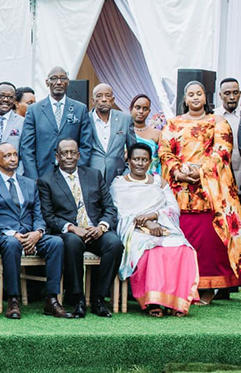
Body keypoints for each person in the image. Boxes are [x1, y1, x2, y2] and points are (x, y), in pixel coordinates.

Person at [158, 81, 241, 303]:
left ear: (206, 97)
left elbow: (222, 151)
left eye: (199, 94)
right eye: (191, 94)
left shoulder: (218, 122)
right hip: (180, 189)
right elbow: (164, 151)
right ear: (185, 99)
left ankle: (208, 288)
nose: (195, 97)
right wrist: (178, 172)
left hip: (209, 190)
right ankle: (183, 285)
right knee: (182, 238)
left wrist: (199, 172)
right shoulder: (173, 123)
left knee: (209, 241)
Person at [111, 143, 200, 316]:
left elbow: (174, 209)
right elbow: (120, 214)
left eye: (144, 160)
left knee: (182, 248)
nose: (140, 163)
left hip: (162, 225)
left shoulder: (159, 182)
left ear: (150, 162)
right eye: (136, 159)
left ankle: (175, 302)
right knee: (152, 249)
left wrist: (154, 216)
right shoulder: (119, 184)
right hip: (134, 230)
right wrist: (146, 224)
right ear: (128, 161)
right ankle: (153, 302)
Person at [0, 143, 66, 319]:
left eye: (15, 155)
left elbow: (38, 214)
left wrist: (38, 232)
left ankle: (51, 299)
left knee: (56, 242)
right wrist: (14, 234)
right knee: (12, 244)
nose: (13, 159)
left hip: (31, 234)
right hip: (5, 235)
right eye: (7, 156)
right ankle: (13, 300)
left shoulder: (30, 184)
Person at [38, 139, 122, 317]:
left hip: (95, 230)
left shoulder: (94, 175)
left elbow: (109, 208)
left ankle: (99, 298)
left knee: (114, 244)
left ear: (79, 155)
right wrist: (72, 228)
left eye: (72, 153)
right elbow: (48, 216)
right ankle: (78, 299)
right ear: (57, 157)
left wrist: (101, 227)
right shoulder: (46, 181)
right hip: (70, 232)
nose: (69, 156)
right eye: (64, 153)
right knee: (72, 243)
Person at [19, 66, 93, 179]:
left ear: (68, 82)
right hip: (42, 174)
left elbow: (86, 145)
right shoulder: (34, 110)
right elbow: (27, 148)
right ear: (47, 82)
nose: (58, 82)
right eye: (54, 78)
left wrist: (76, 171)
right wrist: (33, 178)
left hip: (71, 174)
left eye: (62, 78)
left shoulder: (80, 109)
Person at [88, 83, 134, 187]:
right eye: (99, 96)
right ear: (93, 101)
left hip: (118, 177)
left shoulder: (125, 119)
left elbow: (133, 150)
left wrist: (128, 171)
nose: (104, 99)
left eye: (107, 96)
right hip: (91, 177)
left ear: (113, 100)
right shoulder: (85, 119)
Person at [213, 77, 241, 186]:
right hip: (221, 177)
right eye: (227, 93)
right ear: (220, 95)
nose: (232, 97)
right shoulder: (212, 117)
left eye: (235, 93)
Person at [0, 82, 25, 174]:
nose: (5, 100)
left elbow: (24, 154)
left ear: (15, 100)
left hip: (12, 174)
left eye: (10, 97)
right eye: (1, 96)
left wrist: (17, 176)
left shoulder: (22, 122)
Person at [129, 94, 162, 176]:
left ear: (149, 111)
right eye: (137, 107)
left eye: (145, 109)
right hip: (129, 178)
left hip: (152, 179)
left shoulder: (157, 134)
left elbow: (164, 158)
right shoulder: (124, 132)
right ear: (131, 109)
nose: (141, 111)